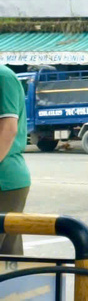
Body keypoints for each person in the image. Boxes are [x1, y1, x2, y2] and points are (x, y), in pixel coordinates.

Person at [0, 64, 32, 255]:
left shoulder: (3, 77)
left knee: (8, 257)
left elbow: (8, 129)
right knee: (9, 257)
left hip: (4, 181)